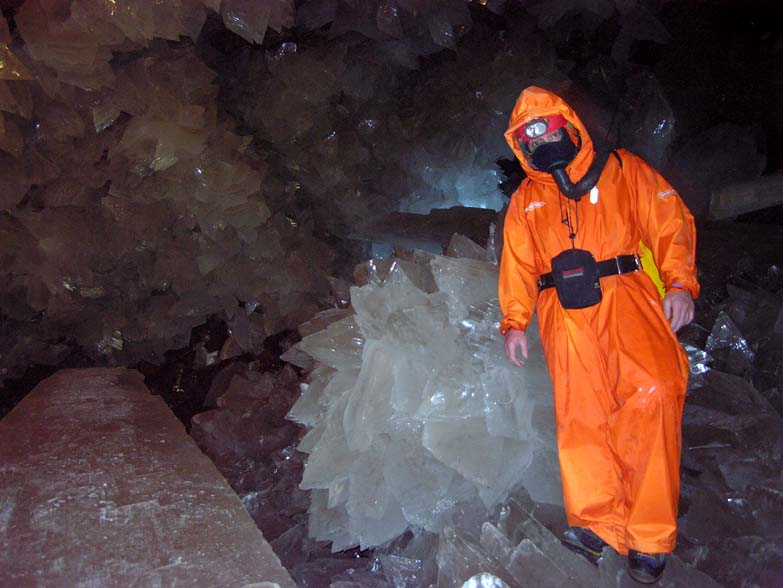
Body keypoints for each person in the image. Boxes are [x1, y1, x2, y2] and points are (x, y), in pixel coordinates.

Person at [498, 86, 699, 585]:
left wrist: (679, 283)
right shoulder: (526, 201)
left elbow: (668, 221)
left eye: (545, 129)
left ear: (568, 124)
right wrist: (514, 321)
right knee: (581, 417)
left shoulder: (622, 169)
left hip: (626, 295)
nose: (538, 141)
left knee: (652, 394)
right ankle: (595, 524)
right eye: (527, 138)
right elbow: (517, 265)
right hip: (563, 312)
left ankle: (649, 536)